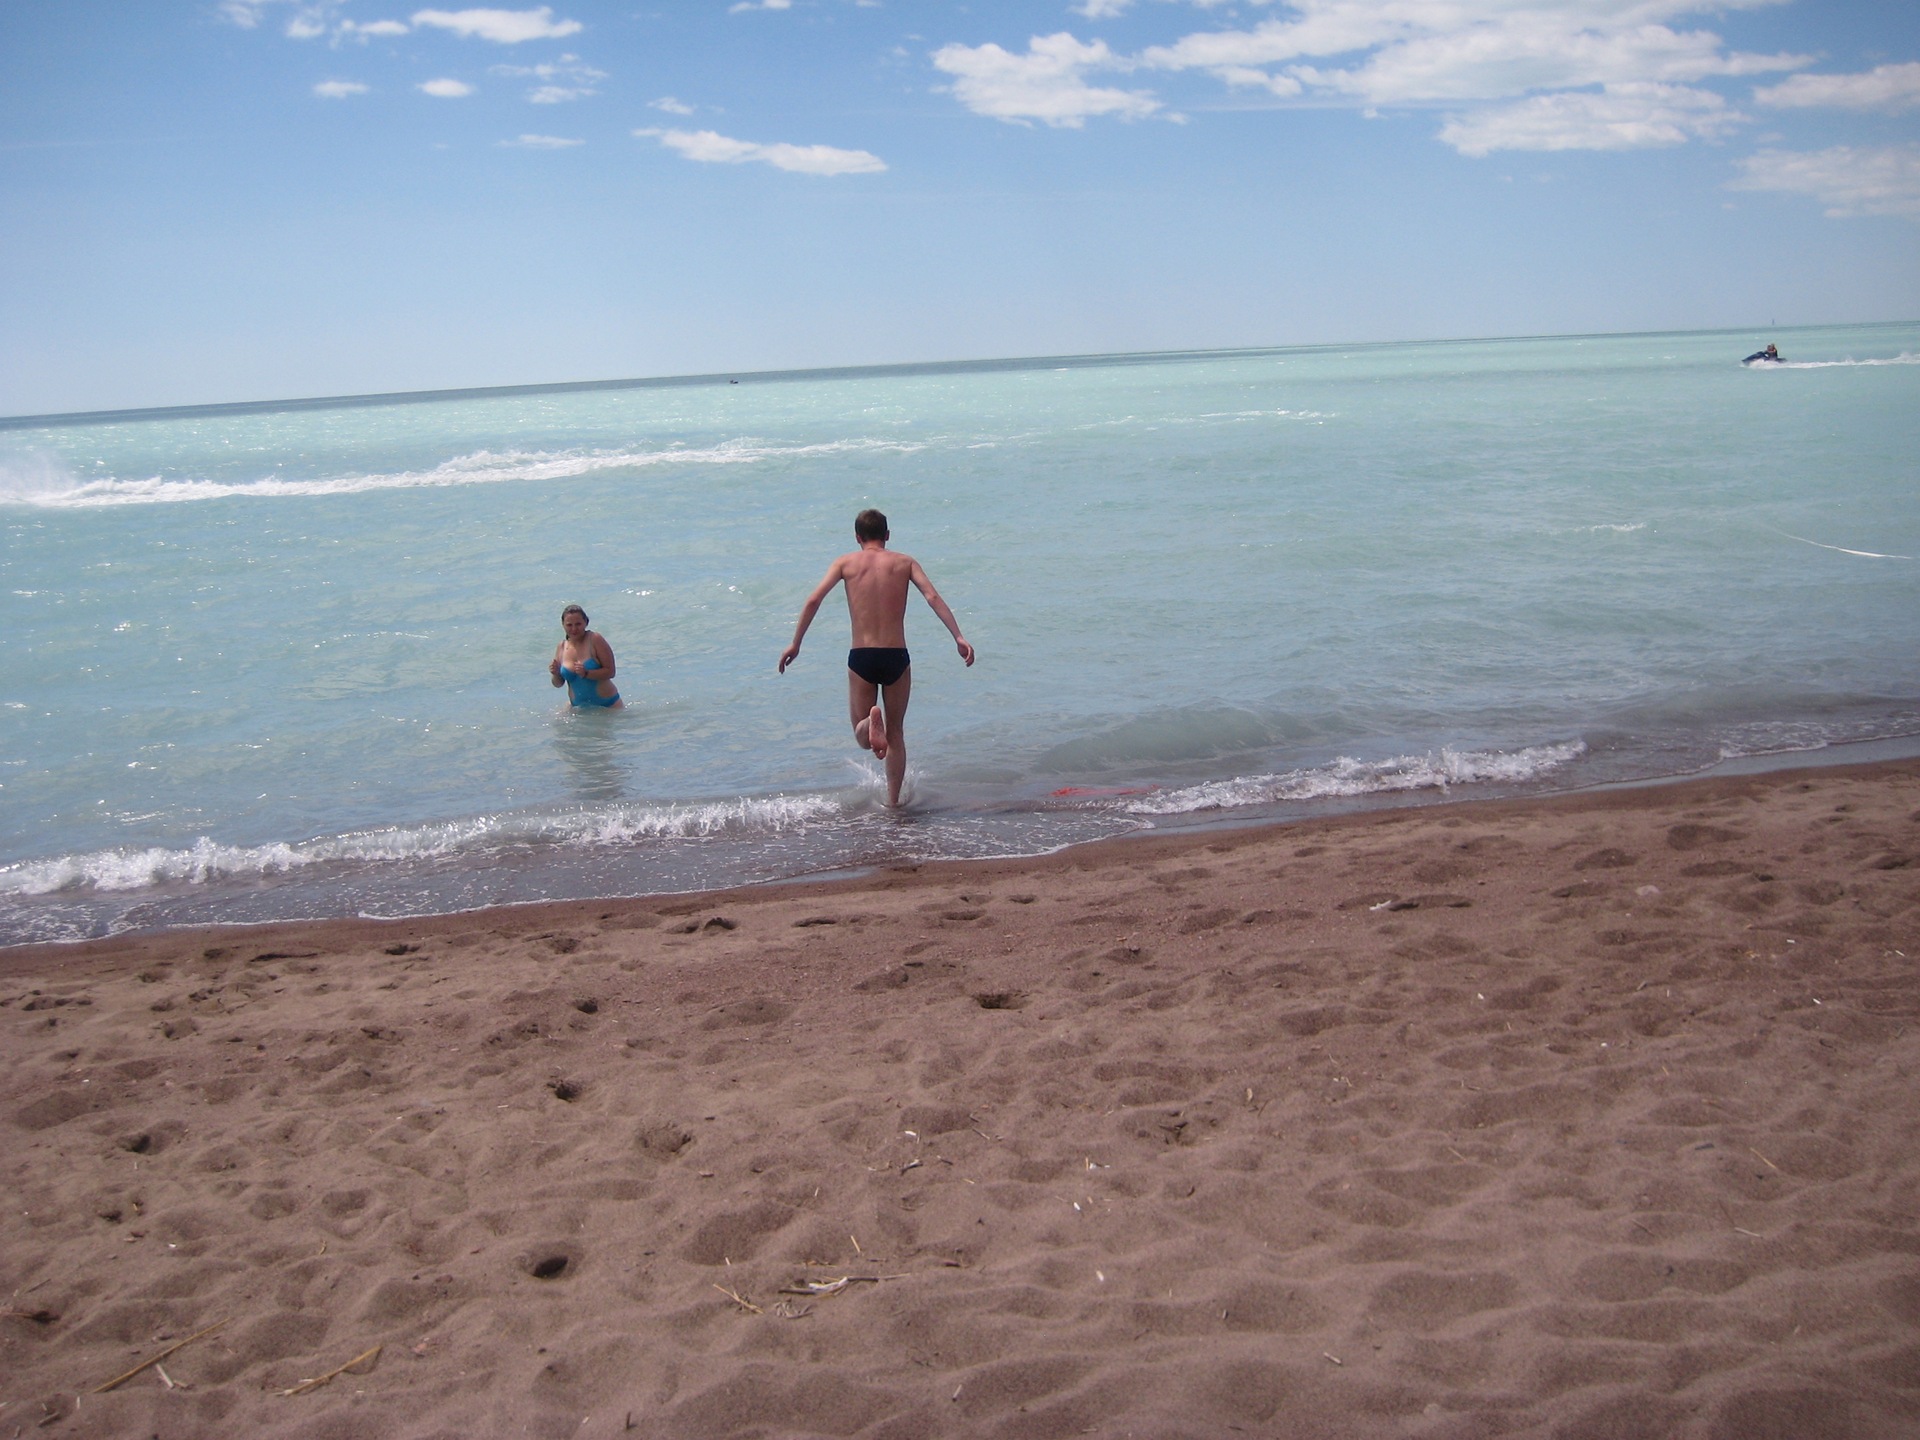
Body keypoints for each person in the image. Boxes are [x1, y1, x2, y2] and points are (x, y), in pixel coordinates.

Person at [778, 509, 974, 807]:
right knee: (896, 732)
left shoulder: (845, 563)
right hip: (897, 655)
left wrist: (796, 643)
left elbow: (813, 599)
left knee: (860, 732)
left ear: (857, 537)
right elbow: (932, 597)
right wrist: (958, 636)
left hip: (862, 655)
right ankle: (894, 803)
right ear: (887, 535)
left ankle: (869, 725)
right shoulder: (905, 562)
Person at [549, 604, 623, 709]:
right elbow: (558, 684)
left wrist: (587, 673)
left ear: (586, 623)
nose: (574, 629)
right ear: (563, 625)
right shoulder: (561, 647)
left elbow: (611, 672)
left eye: (578, 624)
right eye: (569, 625)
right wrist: (555, 674)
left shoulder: (594, 639)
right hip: (579, 709)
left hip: (608, 706)